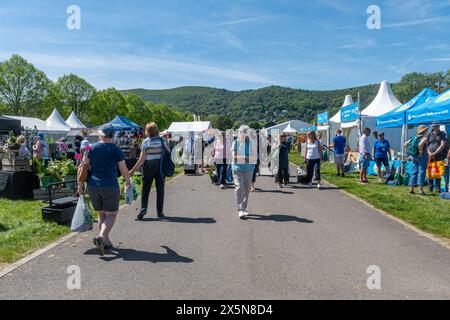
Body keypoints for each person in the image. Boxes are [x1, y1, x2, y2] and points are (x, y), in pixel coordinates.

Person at [77, 125, 131, 255]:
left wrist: (79, 185)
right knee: (111, 215)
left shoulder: (91, 147)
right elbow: (123, 170)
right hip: (110, 185)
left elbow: (83, 166)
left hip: (92, 185)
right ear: (113, 135)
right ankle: (101, 236)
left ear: (101, 134)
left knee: (101, 214)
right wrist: (128, 181)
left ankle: (105, 242)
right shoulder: (116, 150)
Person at [130, 122, 170, 220]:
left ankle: (143, 208)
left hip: (148, 167)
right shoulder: (162, 140)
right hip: (160, 167)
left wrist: (133, 170)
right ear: (157, 130)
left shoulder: (145, 142)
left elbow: (142, 159)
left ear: (147, 131)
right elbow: (169, 151)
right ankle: (159, 212)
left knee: (145, 189)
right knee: (160, 190)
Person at [232, 125, 256, 219]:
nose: (243, 135)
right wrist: (247, 158)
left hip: (249, 168)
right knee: (239, 187)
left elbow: (253, 157)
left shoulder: (252, 143)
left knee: (246, 189)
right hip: (237, 168)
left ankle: (244, 208)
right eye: (241, 133)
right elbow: (234, 157)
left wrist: (241, 158)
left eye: (245, 133)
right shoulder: (235, 143)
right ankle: (240, 209)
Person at [405, 125, 428, 195]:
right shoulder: (424, 137)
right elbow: (420, 145)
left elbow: (405, 144)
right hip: (421, 156)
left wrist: (411, 151)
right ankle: (421, 190)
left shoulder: (415, 137)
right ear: (424, 131)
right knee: (422, 172)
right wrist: (420, 152)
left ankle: (411, 189)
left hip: (414, 156)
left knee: (414, 171)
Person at [426, 122, 447, 193]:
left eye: (438, 126)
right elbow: (427, 146)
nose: (437, 127)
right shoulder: (429, 134)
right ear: (433, 127)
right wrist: (429, 153)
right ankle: (430, 188)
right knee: (430, 172)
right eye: (435, 126)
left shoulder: (442, 134)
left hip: (439, 156)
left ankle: (438, 188)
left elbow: (442, 144)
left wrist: (435, 153)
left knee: (438, 171)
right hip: (430, 156)